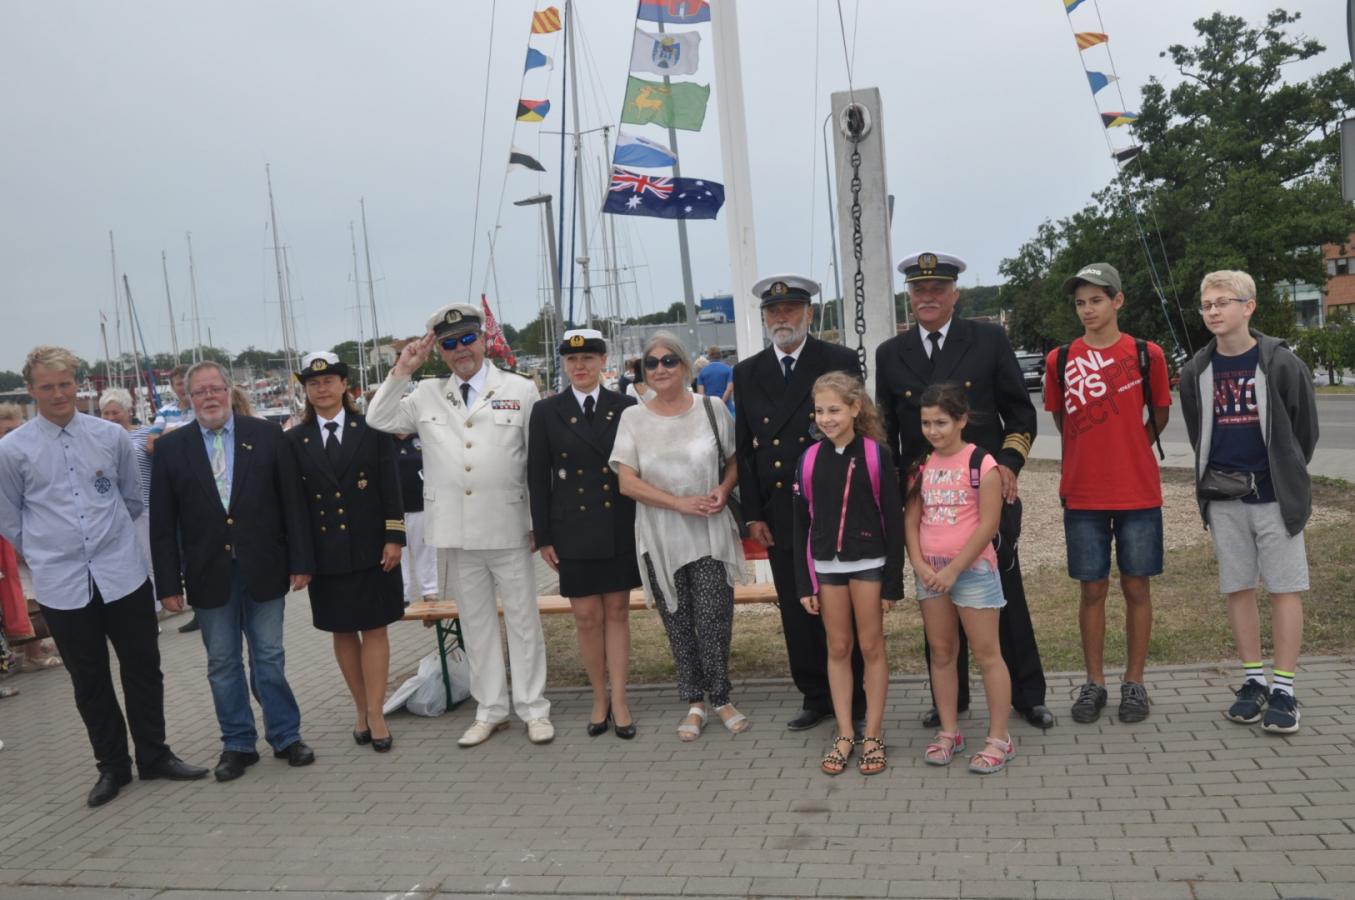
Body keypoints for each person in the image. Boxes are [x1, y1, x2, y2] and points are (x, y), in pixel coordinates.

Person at [0, 346, 207, 807]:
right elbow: (9, 518)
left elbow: (131, 499)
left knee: (143, 667)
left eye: (65, 384)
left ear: (78, 385)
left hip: (121, 573)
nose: (58, 393)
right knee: (89, 679)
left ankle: (155, 754)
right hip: (62, 583)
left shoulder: (109, 436)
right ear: (31, 390)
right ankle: (112, 766)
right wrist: (49, 549)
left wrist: (103, 539)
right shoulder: (12, 451)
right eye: (47, 386)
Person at [875, 251, 1052, 730]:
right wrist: (895, 491)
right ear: (909, 297)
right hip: (928, 499)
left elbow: (1020, 413)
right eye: (919, 290)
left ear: (955, 294)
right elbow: (887, 432)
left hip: (985, 491)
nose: (928, 297)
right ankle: (949, 702)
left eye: (937, 288)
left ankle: (1027, 695)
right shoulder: (891, 354)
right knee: (937, 594)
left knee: (1004, 595)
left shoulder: (988, 339)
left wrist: (1010, 464)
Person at [366, 302, 553, 747]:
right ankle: (491, 710)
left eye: (468, 338)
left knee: (523, 622)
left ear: (483, 340)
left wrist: (538, 523)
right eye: (449, 344)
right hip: (457, 531)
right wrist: (403, 369)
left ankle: (533, 708)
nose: (460, 349)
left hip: (509, 525)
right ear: (440, 352)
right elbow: (377, 418)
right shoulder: (426, 394)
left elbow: (537, 461)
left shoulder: (520, 388)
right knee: (475, 625)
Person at [150, 360, 316, 782]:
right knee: (222, 663)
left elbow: (292, 503)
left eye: (215, 388)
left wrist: (301, 561)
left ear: (229, 391)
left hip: (264, 565)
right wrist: (167, 584)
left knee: (269, 657)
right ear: (187, 398)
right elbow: (162, 524)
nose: (209, 397)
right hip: (208, 573)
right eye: (199, 391)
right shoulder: (171, 448)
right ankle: (238, 744)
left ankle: (286, 736)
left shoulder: (266, 435)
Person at [1179, 270, 1318, 734]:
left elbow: (1304, 432)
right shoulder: (1196, 370)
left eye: (1223, 302)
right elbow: (1199, 430)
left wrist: (1284, 471)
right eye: (1207, 305)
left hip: (1275, 498)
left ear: (1249, 307)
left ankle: (1284, 689)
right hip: (1224, 498)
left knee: (1283, 588)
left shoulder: (1280, 363)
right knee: (1238, 588)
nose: (1213, 311)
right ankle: (1254, 681)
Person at [734, 274, 867, 732]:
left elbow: (859, 431)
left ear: (809, 313)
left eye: (790, 309)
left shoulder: (838, 360)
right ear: (764, 319)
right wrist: (752, 514)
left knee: (842, 603)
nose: (781, 318)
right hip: (779, 508)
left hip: (834, 502)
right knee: (797, 607)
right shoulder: (747, 372)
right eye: (773, 311)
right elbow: (746, 450)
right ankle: (814, 694)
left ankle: (857, 696)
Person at [1044, 263, 1171, 725]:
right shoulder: (1060, 359)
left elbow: (1160, 412)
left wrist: (1132, 445)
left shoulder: (1146, 354)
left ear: (1117, 301)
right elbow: (1061, 419)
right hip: (1083, 493)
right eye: (1080, 302)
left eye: (1096, 300)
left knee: (1137, 586)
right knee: (1092, 589)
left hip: (1138, 491)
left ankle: (1134, 682)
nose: (1087, 310)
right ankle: (1093, 682)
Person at [611, 331, 748, 741]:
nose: (660, 369)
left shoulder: (711, 408)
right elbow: (626, 482)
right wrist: (677, 503)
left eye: (668, 360)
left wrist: (723, 489)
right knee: (678, 622)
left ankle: (721, 697)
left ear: (685, 365)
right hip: (660, 537)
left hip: (708, 531)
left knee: (714, 618)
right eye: (650, 363)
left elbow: (735, 460)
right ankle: (694, 702)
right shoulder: (633, 418)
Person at [281, 352, 405, 753]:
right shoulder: (294, 440)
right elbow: (294, 506)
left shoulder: (372, 427)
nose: (322, 389)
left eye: (329, 381)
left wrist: (394, 537)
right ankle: (361, 709)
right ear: (305, 390)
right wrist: (301, 560)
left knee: (376, 628)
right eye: (313, 383)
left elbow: (391, 485)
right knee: (343, 630)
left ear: (344, 385)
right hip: (326, 552)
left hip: (373, 547)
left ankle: (378, 712)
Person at [528, 329, 642, 738]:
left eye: (588, 358)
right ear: (564, 363)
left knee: (617, 613)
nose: (580, 366)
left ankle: (621, 699)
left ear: (602, 361)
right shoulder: (547, 411)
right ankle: (599, 698)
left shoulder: (625, 406)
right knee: (586, 617)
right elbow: (537, 477)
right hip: (571, 528)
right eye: (572, 359)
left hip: (617, 524)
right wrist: (544, 536)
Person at [793, 372, 902, 776]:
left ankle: (872, 733)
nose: (826, 418)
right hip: (827, 568)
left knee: (871, 647)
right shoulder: (808, 459)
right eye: (820, 411)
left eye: (835, 410)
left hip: (869, 564)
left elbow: (893, 519)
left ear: (856, 409)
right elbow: (800, 525)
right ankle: (844, 732)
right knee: (838, 648)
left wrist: (892, 581)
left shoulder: (876, 454)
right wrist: (804, 582)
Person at [905, 383, 1014, 774]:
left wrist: (954, 569)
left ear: (962, 420)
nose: (933, 431)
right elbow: (911, 521)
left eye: (941, 422)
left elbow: (988, 524)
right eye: (926, 423)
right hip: (931, 574)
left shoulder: (982, 464)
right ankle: (949, 731)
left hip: (972, 572)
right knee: (941, 653)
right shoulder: (921, 466)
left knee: (987, 655)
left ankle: (999, 738)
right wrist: (919, 564)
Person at [395, 434, 438, 603]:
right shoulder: (384, 439)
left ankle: (430, 593)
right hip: (394, 512)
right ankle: (401, 597)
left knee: (426, 553)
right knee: (398, 555)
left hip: (422, 507)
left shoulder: (422, 436)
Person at [696, 345, 735, 416]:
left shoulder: (702, 372)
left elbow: (701, 393)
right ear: (720, 355)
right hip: (727, 409)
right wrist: (721, 403)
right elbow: (729, 389)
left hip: (710, 411)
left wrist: (711, 406)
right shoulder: (728, 369)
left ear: (709, 356)